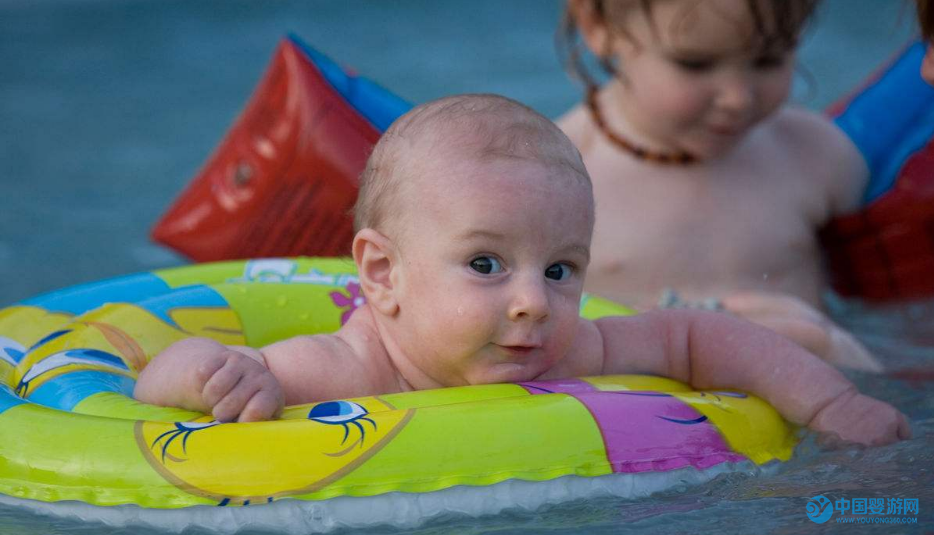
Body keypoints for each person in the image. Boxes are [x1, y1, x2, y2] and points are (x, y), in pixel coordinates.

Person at [134, 94, 908, 447]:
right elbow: (149, 386)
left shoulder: (573, 349)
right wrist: (216, 373)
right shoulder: (345, 368)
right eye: (485, 263)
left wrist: (835, 402)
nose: (534, 302)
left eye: (563, 269)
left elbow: (708, 338)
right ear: (382, 273)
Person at [556, 0, 883, 372]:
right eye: (695, 64)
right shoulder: (556, 177)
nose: (737, 98)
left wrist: (836, 349)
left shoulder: (819, 157)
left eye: (768, 61)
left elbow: (886, 308)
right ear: (598, 27)